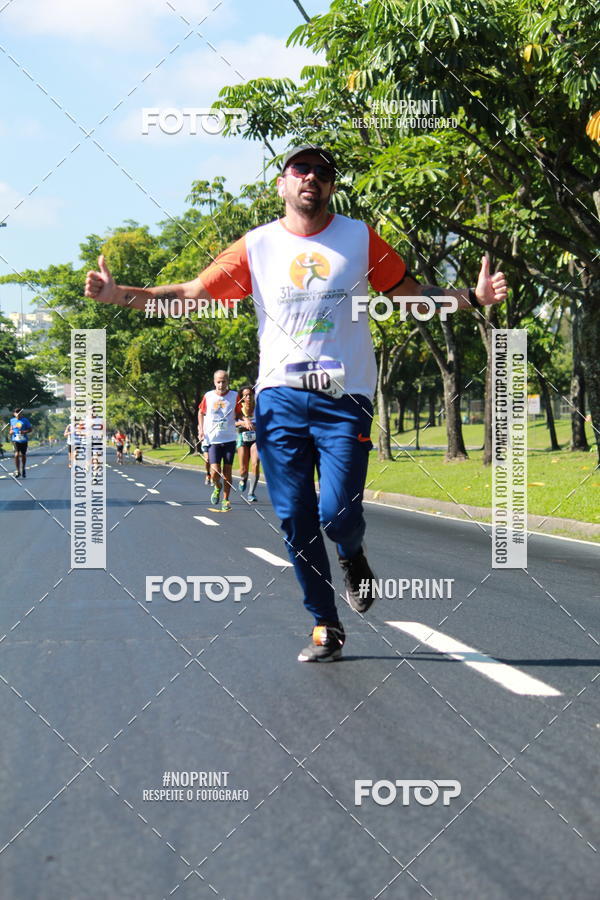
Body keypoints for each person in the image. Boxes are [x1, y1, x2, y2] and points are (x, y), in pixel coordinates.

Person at [84, 144, 507, 662]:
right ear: (282, 184)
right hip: (279, 398)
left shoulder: (358, 237)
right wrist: (119, 295)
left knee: (337, 514)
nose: (311, 178)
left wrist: (474, 297)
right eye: (300, 170)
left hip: (344, 398)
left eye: (322, 173)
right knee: (294, 517)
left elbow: (406, 291)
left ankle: (353, 553)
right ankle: (325, 625)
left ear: (331, 186)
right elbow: (193, 292)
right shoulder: (256, 246)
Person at [197, 370, 238, 512]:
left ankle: (226, 500)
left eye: (224, 381)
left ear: (228, 382)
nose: (221, 384)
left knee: (227, 472)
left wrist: (244, 420)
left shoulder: (234, 396)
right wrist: (201, 430)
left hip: (229, 439)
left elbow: (239, 414)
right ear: (214, 382)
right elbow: (201, 413)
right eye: (218, 381)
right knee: (215, 472)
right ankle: (217, 486)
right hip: (213, 439)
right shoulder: (208, 396)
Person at [235, 386, 260, 502]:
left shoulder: (259, 407)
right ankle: (243, 478)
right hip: (242, 437)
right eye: (245, 395)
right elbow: (232, 422)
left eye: (250, 394)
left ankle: (251, 493)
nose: (248, 397)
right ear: (242, 397)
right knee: (243, 469)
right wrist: (243, 423)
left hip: (256, 437)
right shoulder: (239, 408)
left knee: (255, 463)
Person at [9, 408, 32, 478]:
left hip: (24, 440)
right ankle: (18, 471)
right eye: (16, 413)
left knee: (23, 455)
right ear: (14, 414)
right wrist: (11, 432)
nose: (18, 414)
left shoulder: (25, 420)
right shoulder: (12, 420)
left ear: (21, 414)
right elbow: (10, 430)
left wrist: (24, 432)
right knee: (16, 455)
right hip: (15, 440)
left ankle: (23, 468)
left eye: (19, 413)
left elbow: (30, 429)